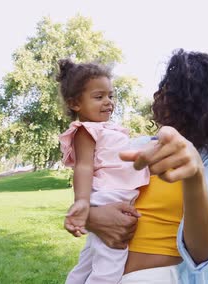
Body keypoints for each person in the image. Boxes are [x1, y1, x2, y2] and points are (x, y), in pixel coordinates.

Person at [78, 49, 208, 283]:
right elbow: (96, 193)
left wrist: (194, 176)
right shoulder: (139, 146)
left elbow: (203, 251)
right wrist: (91, 217)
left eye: (170, 87)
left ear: (195, 100)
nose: (159, 94)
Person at [56, 58, 150, 284]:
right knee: (112, 259)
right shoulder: (85, 130)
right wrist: (81, 201)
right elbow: (84, 166)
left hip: (114, 193)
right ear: (75, 104)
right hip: (109, 195)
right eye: (99, 97)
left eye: (110, 95)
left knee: (90, 258)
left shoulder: (107, 128)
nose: (108, 102)